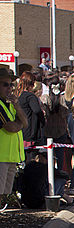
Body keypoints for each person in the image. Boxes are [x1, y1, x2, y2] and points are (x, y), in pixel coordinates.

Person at [0, 67, 26, 207]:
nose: (9, 88)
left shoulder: (9, 105)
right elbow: (11, 128)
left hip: (9, 157)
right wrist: (19, 124)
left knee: (4, 194)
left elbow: (25, 122)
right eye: (5, 84)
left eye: (11, 84)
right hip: (1, 158)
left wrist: (17, 105)